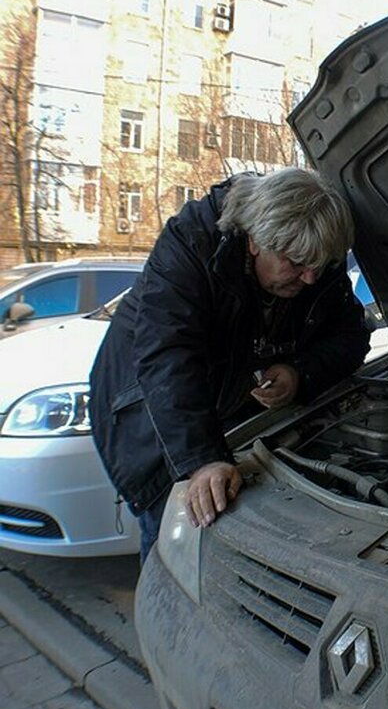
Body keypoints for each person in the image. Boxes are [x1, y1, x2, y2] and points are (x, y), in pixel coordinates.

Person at [89, 168, 371, 562]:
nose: (309, 279)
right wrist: (201, 459)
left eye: (319, 266)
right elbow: (168, 354)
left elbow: (350, 337)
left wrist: (298, 373)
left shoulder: (315, 248)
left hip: (239, 423)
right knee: (174, 558)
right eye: (295, 263)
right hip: (159, 426)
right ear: (255, 240)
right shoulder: (191, 243)